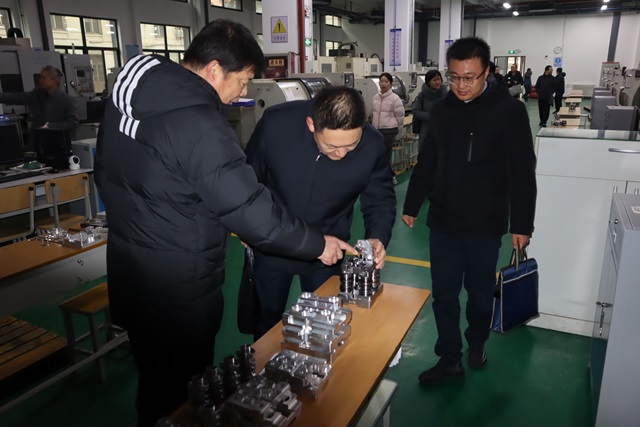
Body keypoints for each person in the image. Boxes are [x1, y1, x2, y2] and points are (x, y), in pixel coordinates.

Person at [94, 20, 353, 427]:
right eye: (243, 81)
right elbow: (251, 211)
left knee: (154, 383)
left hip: (132, 275)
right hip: (180, 288)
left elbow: (107, 175)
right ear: (214, 70)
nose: (243, 93)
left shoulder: (130, 93)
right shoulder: (200, 126)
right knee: (185, 399)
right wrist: (318, 244)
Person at [402, 37, 537, 386]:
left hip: (486, 224)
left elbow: (522, 172)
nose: (461, 85)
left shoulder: (509, 112)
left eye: (469, 78)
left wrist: (522, 224)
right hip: (444, 221)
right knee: (444, 296)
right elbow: (428, 160)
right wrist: (412, 203)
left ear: (487, 72)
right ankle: (449, 359)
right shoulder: (443, 110)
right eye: (454, 77)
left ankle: (477, 343)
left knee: (479, 297)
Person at [245, 85, 397, 339]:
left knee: (323, 325)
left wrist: (377, 236)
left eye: (351, 145)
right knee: (267, 322)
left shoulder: (372, 144)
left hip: (328, 251)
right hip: (275, 244)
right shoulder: (275, 125)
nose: (341, 154)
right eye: (331, 146)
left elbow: (380, 199)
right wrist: (250, 227)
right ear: (311, 124)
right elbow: (249, 180)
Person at [0, 65, 78, 150]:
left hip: (56, 144)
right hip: (36, 144)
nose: (40, 80)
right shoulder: (37, 95)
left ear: (55, 80)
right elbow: (17, 97)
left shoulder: (67, 100)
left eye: (44, 77)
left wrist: (50, 126)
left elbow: (72, 123)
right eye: (40, 77)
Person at [371, 72, 405, 184]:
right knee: (377, 155)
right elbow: (374, 114)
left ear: (390, 84)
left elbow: (400, 118)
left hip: (389, 131)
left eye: (386, 81)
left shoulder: (395, 99)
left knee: (386, 155)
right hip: (376, 131)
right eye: (381, 81)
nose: (383, 84)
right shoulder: (375, 98)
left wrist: (399, 134)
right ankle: (384, 176)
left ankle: (390, 177)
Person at [412, 70, 447, 149]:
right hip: (426, 130)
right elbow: (415, 111)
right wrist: (430, 116)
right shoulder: (422, 95)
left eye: (439, 79)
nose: (437, 82)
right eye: (434, 80)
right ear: (428, 82)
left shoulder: (446, 95)